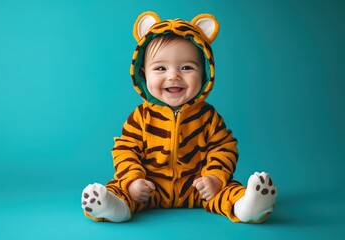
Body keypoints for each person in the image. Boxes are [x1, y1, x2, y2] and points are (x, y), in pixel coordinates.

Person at [81, 11, 277, 223]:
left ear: (205, 73)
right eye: (160, 68)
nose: (173, 75)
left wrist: (214, 179)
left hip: (199, 189)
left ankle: (247, 206)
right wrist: (133, 181)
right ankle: (114, 208)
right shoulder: (141, 117)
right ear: (143, 73)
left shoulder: (208, 117)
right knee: (120, 188)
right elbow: (125, 149)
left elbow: (224, 147)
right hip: (150, 190)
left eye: (186, 67)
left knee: (228, 189)